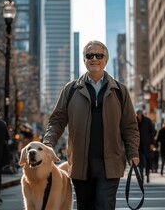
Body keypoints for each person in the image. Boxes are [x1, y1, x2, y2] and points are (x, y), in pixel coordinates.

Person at [42, 40, 140, 209]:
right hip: (80, 163)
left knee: (105, 205)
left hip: (109, 163)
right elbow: (57, 120)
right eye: (89, 55)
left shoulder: (120, 91)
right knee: (84, 206)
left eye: (99, 55)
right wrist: (47, 144)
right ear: (84, 60)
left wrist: (133, 152)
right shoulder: (71, 89)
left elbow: (129, 125)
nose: (94, 58)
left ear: (106, 60)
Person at [136, 109, 156, 183]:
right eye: (138, 114)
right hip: (139, 146)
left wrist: (152, 143)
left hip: (147, 145)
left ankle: (147, 175)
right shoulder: (135, 121)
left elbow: (152, 132)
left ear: (142, 114)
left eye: (140, 114)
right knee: (141, 162)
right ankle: (142, 177)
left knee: (148, 161)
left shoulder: (147, 121)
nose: (139, 116)